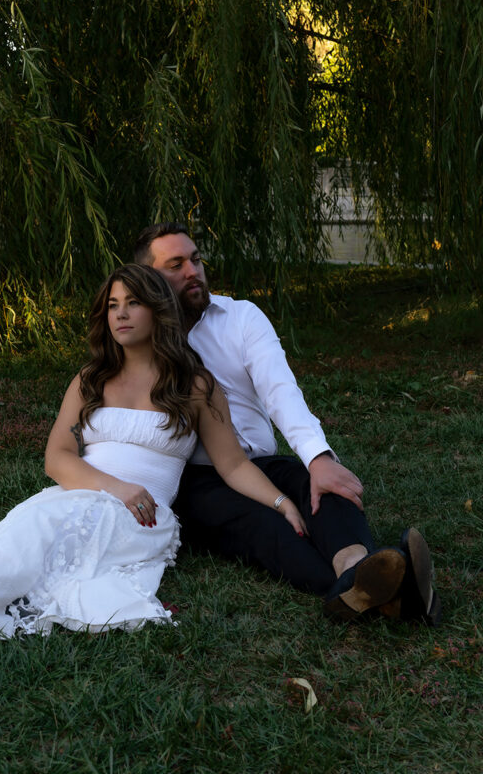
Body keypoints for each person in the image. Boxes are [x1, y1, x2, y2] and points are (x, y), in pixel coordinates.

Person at [0, 264, 320, 644]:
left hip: (141, 516)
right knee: (25, 527)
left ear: (158, 310)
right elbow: (57, 458)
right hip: (86, 491)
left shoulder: (196, 385)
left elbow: (234, 465)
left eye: (133, 303)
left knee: (44, 531)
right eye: (112, 306)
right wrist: (115, 487)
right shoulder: (91, 379)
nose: (120, 315)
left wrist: (281, 503)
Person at [134, 222, 441, 624]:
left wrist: (317, 458)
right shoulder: (141, 341)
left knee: (320, 490)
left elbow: (280, 390)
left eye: (195, 259)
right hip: (198, 478)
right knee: (265, 525)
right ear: (148, 278)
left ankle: (359, 567)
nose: (193, 271)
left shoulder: (241, 317)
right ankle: (386, 592)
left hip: (260, 464)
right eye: (176, 265)